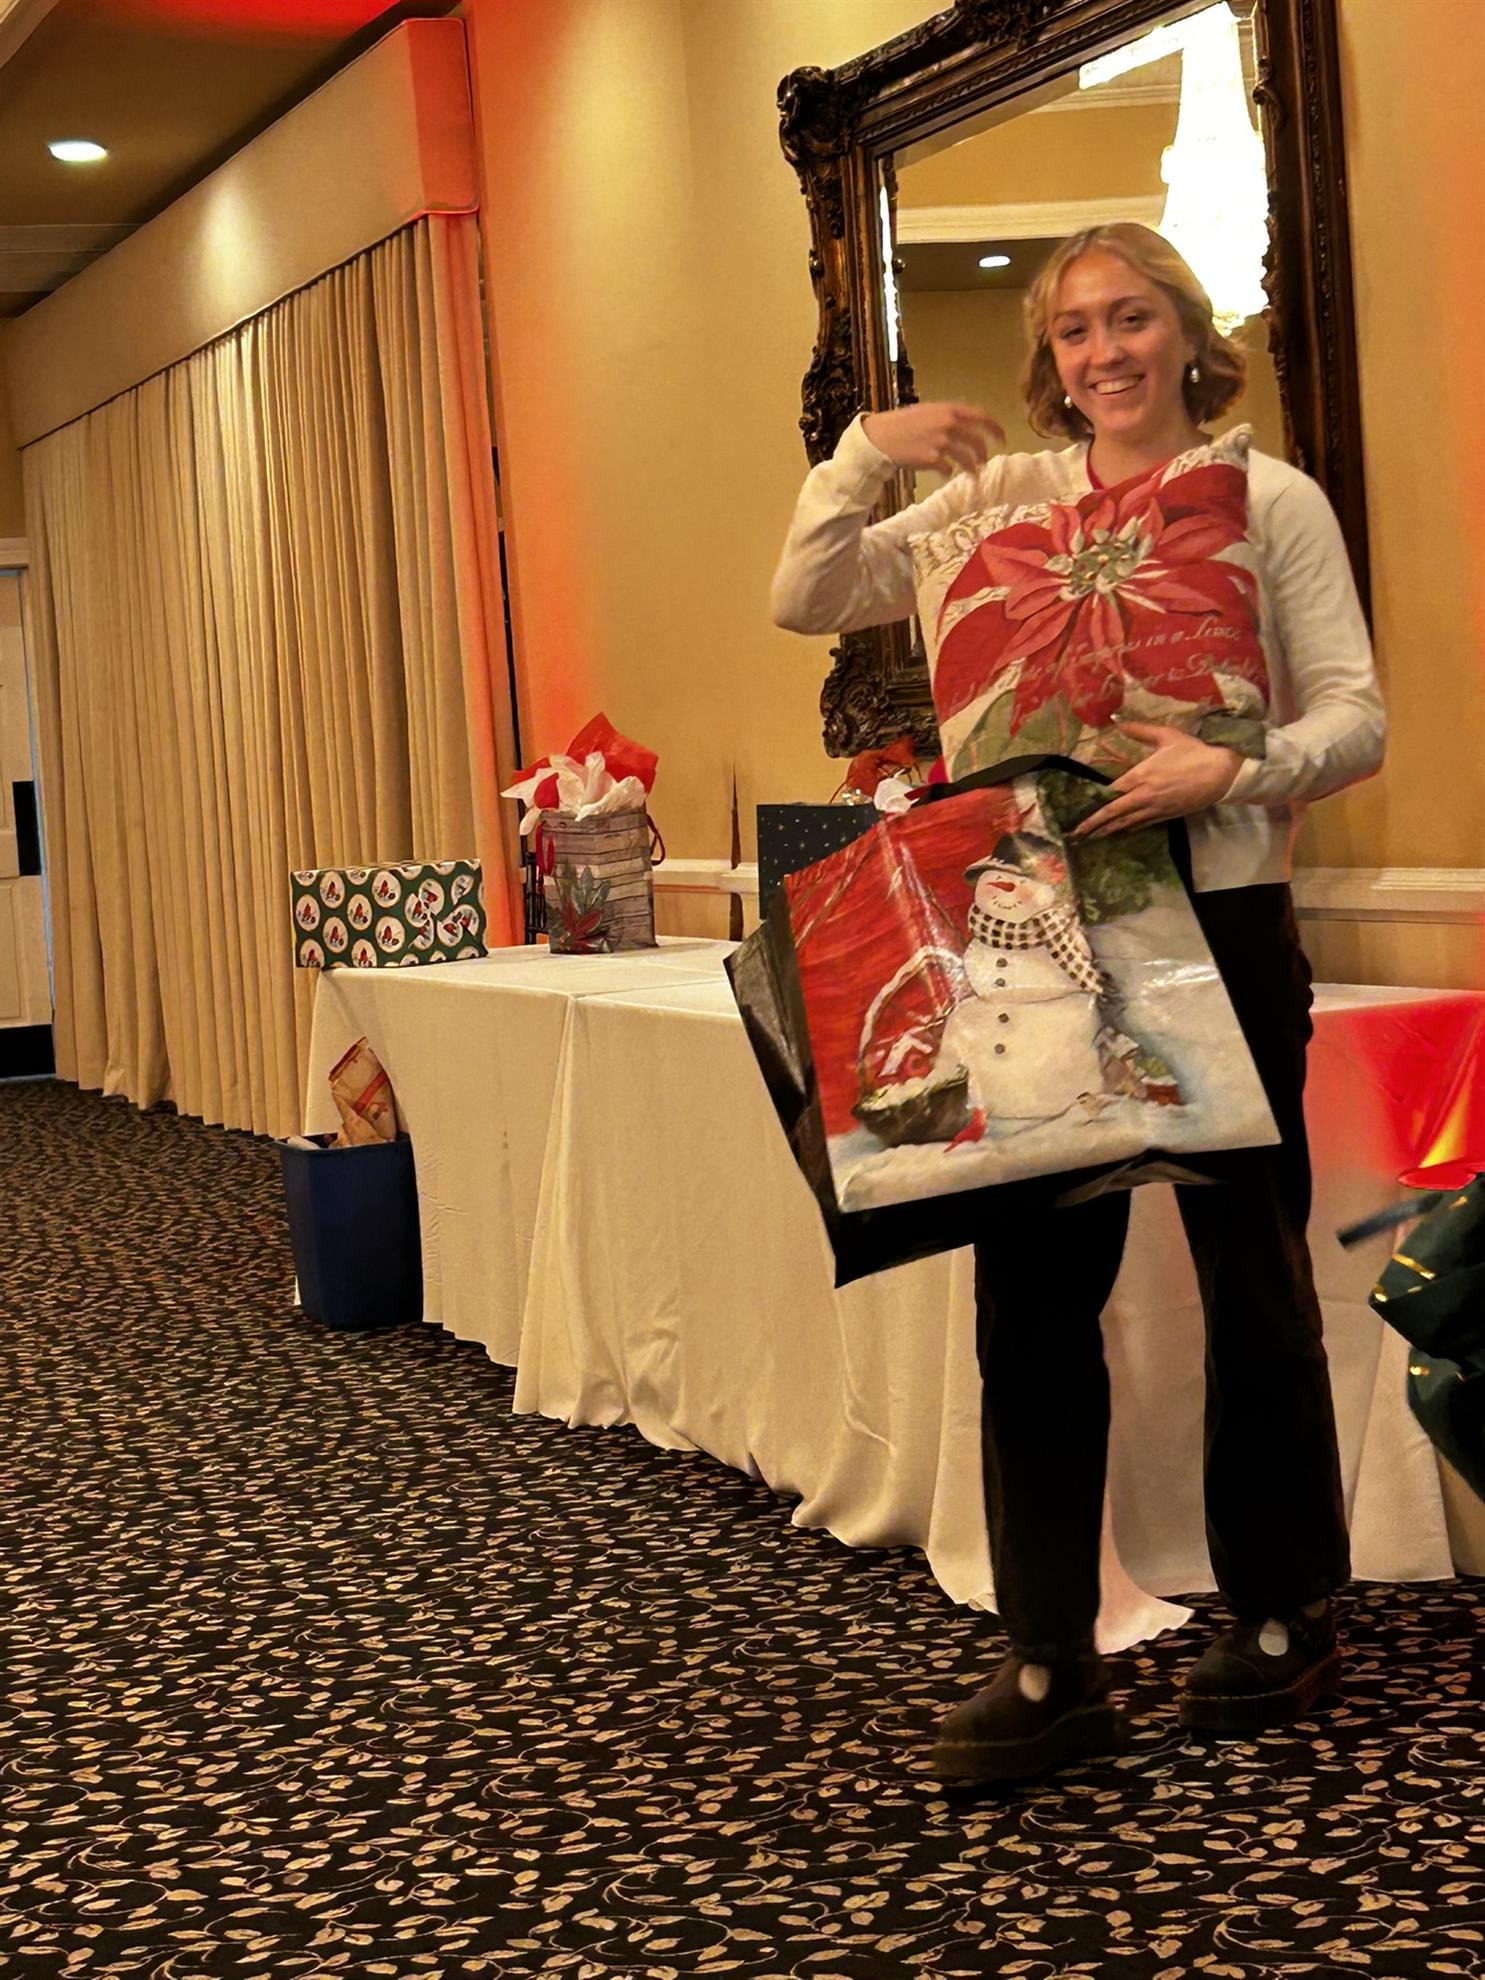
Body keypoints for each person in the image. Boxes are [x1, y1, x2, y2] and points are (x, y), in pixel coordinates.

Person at [769, 222, 1385, 1785]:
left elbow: (1354, 717)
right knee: (1031, 1302)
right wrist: (865, 449)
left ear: (1186, 333)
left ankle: (1281, 1608)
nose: (1103, 353)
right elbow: (806, 591)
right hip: (1037, 925)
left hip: (1219, 915)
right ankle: (1049, 1652)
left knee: (1251, 1285)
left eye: (1130, 320)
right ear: (1049, 359)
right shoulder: (999, 503)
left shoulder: (1266, 498)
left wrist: (1227, 768)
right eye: (1072, 331)